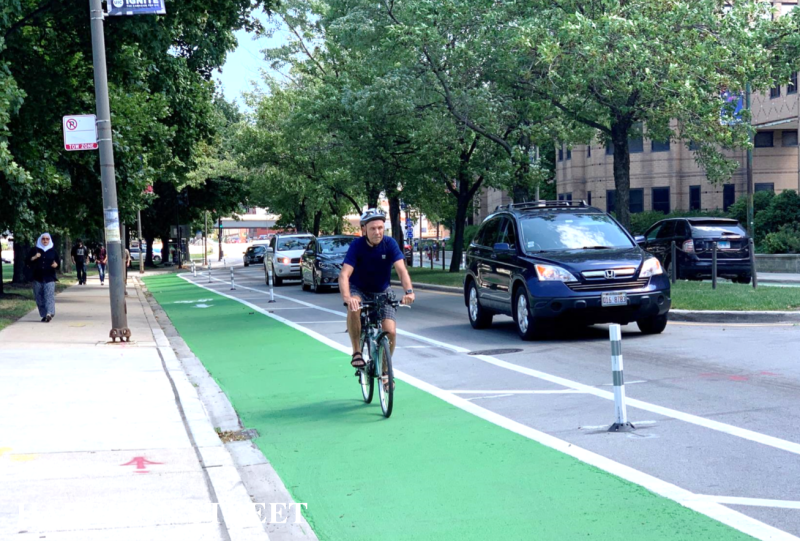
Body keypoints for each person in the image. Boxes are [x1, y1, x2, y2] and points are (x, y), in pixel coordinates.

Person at [339, 209, 414, 388]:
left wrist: (409, 291)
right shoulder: (357, 246)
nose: (378, 232)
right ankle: (357, 352)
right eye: (373, 228)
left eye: (380, 228)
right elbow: (344, 275)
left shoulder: (389, 244)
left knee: (391, 332)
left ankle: (386, 372)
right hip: (360, 289)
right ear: (364, 229)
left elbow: (402, 270)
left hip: (382, 290)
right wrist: (348, 297)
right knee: (354, 307)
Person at [26, 233, 61, 322]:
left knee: (49, 296)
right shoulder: (35, 250)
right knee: (39, 297)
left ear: (50, 240)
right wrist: (34, 257)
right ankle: (44, 314)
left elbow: (58, 264)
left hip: (49, 277)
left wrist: (56, 265)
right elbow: (27, 261)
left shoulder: (53, 251)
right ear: (40, 240)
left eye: (47, 239)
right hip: (37, 277)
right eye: (43, 239)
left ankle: (49, 313)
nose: (45, 241)